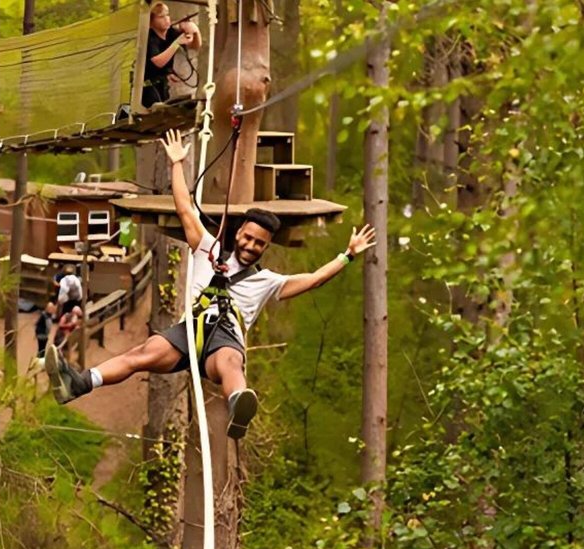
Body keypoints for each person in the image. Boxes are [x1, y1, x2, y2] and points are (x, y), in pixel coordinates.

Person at [45, 129, 376, 439]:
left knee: (230, 363)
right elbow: (185, 209)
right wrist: (177, 164)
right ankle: (80, 383)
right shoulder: (208, 248)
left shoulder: (266, 281)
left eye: (259, 244)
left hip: (225, 339)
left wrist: (347, 255)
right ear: (239, 233)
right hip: (189, 331)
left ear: (265, 247)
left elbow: (314, 280)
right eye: (248, 238)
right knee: (143, 353)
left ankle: (238, 405)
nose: (251, 246)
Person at [142, 2, 201, 108]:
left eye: (167, 15)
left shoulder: (171, 33)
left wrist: (194, 31)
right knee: (158, 110)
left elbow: (195, 46)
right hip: (147, 88)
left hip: (164, 86)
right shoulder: (150, 38)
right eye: (161, 17)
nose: (167, 19)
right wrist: (176, 43)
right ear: (151, 21)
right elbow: (158, 62)